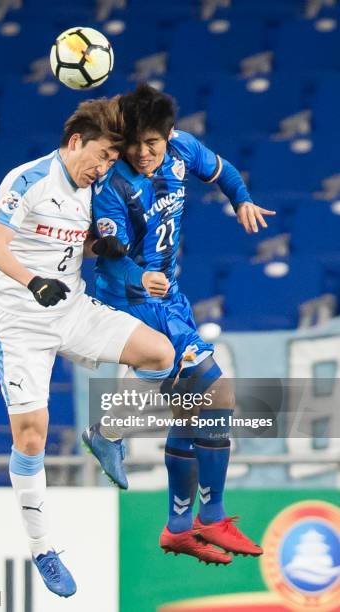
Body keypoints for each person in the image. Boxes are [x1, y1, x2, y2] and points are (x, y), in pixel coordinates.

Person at [0, 97, 176, 598]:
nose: (106, 167)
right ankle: (43, 547)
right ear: (75, 143)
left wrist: (99, 247)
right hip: (23, 321)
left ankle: (107, 430)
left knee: (160, 354)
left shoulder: (92, 191)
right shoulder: (26, 180)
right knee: (31, 439)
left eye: (114, 160)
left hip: (72, 310)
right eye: (104, 156)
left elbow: (72, 239)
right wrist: (32, 282)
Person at [87, 84, 276, 564]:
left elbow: (223, 170)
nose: (144, 153)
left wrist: (242, 200)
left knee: (191, 412)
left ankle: (176, 526)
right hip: (133, 301)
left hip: (170, 297)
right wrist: (139, 273)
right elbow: (107, 254)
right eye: (135, 143)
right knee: (218, 395)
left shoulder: (183, 149)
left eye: (153, 142)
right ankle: (210, 518)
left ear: (169, 136)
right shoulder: (113, 186)